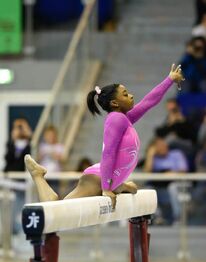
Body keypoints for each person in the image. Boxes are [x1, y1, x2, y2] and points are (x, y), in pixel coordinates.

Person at [24, 64, 184, 207]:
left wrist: (169, 79)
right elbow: (108, 153)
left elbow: (149, 101)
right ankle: (38, 175)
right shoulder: (116, 119)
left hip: (106, 177)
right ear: (114, 103)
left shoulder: (125, 119)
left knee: (58, 210)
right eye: (125, 94)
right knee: (57, 212)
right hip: (98, 179)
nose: (131, 96)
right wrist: (106, 188)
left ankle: (120, 185)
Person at [143, 137, 188, 224]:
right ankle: (156, 218)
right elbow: (147, 173)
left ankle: (178, 219)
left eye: (164, 144)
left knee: (172, 187)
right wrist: (150, 154)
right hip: (159, 187)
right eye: (160, 145)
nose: (164, 146)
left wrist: (171, 173)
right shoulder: (154, 159)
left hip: (176, 185)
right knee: (149, 189)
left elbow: (183, 170)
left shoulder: (176, 154)